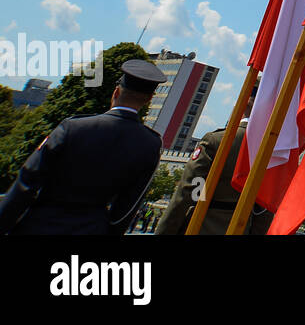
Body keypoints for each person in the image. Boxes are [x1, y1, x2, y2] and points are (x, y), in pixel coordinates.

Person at [0, 59, 166, 235]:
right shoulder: (151, 145)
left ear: (116, 92)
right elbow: (128, 207)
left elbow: (26, 183)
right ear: (149, 99)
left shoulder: (73, 127)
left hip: (40, 224)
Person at [155, 89, 273, 235]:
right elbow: (265, 207)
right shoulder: (274, 150)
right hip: (241, 227)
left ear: (246, 102)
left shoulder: (216, 140)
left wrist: (165, 231)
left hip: (203, 224)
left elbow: (191, 190)